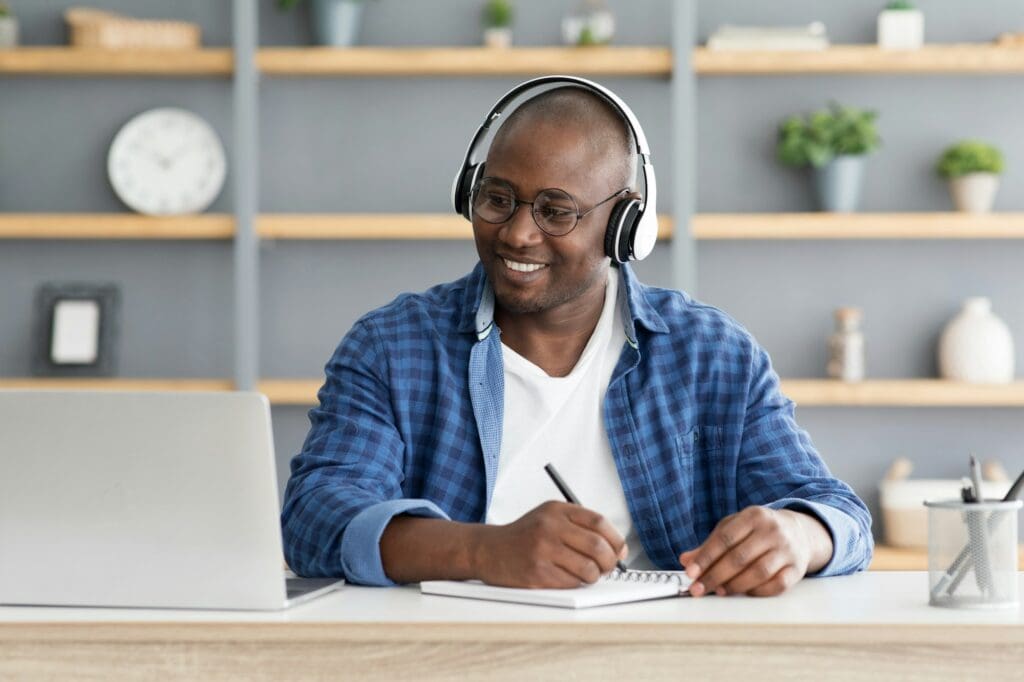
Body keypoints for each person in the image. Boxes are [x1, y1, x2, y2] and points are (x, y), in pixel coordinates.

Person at [281, 77, 873, 598]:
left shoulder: (712, 353)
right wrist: (484, 552)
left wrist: (798, 534)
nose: (516, 233)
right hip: (450, 659)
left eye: (555, 211)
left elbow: (839, 514)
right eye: (497, 199)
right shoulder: (391, 346)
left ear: (625, 226)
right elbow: (314, 519)